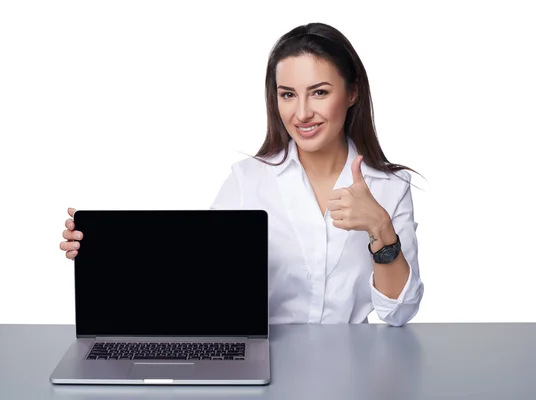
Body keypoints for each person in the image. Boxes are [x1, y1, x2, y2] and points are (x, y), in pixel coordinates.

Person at [59, 22, 424, 327]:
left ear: (352, 92)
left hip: (351, 370)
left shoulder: (390, 187)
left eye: (319, 92)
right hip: (266, 364)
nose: (301, 113)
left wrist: (381, 229)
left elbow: (399, 313)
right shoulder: (248, 180)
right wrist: (105, 257)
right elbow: (194, 279)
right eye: (287, 95)